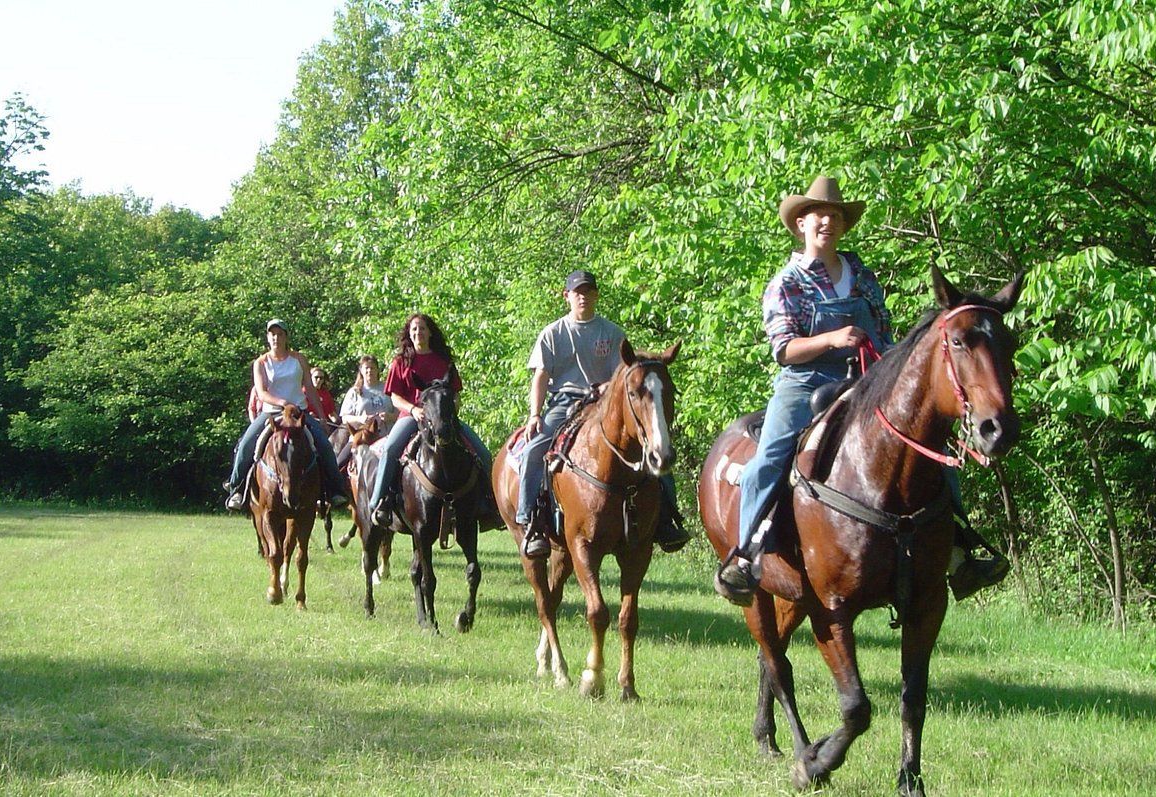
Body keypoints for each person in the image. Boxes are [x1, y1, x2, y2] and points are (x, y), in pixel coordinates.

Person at [714, 176, 1009, 605]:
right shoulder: (787, 282)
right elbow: (784, 348)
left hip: (867, 380)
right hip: (805, 382)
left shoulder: (863, 277)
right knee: (770, 458)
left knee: (931, 445)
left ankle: (959, 551)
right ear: (800, 224)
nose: (826, 223)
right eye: (818, 215)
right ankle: (746, 555)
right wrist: (831, 340)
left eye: (834, 216)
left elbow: (884, 332)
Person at [516, 269, 689, 558]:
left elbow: (623, 375)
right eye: (577, 292)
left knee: (654, 447)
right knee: (535, 447)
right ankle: (530, 521)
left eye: (588, 291)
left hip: (604, 401)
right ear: (567, 296)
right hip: (564, 402)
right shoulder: (552, 333)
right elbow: (541, 376)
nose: (582, 297)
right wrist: (535, 414)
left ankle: (666, 520)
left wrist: (604, 390)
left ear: (596, 295)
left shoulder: (612, 333)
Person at [367, 314, 495, 527]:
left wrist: (451, 409)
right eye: (414, 329)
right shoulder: (400, 362)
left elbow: (455, 394)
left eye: (423, 328)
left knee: (482, 452)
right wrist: (413, 409)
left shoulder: (443, 361)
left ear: (430, 332)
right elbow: (395, 396)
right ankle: (380, 502)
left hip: (444, 419)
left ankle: (488, 504)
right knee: (390, 449)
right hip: (411, 417)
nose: (419, 333)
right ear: (409, 333)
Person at [224, 319, 351, 511]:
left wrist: (321, 417)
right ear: (268, 338)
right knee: (246, 444)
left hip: (298, 412)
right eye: (272, 334)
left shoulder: (299, 359)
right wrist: (283, 402)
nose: (276, 338)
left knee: (324, 445)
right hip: (272, 413)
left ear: (286, 337)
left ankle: (335, 490)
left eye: (280, 334)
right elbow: (261, 392)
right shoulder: (261, 363)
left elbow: (309, 388)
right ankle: (236, 489)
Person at [339, 355, 396, 435]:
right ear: (361, 370)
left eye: (372, 368)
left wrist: (390, 417)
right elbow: (344, 418)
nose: (369, 371)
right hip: (362, 437)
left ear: (377, 370)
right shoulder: (354, 392)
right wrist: (360, 419)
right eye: (366, 368)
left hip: (388, 435)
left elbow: (401, 413)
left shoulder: (389, 388)